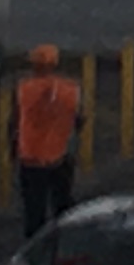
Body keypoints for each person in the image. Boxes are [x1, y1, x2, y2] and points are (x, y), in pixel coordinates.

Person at [11, 44, 83, 236]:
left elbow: (15, 121)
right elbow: (79, 120)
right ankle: (66, 242)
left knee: (34, 211)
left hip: (32, 158)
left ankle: (36, 249)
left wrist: (12, 151)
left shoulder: (24, 89)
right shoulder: (71, 89)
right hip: (61, 155)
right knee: (63, 205)